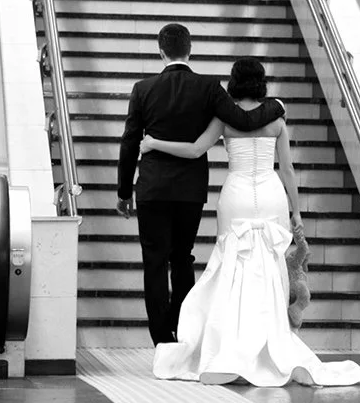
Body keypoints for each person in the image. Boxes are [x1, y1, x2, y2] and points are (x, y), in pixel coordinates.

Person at [144, 58, 360, 387]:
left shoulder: (225, 118)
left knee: (231, 267)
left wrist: (154, 143)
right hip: (271, 194)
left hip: (235, 195)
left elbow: (195, 150)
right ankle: (269, 341)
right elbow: (288, 170)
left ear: (235, 82)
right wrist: (296, 211)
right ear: (261, 81)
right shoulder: (277, 118)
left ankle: (229, 342)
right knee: (269, 267)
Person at [117, 24, 285, 347]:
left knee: (154, 261)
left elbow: (129, 143)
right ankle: (183, 329)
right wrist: (277, 107)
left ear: (160, 51)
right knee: (182, 257)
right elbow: (244, 120)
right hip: (190, 192)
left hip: (151, 190)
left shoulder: (143, 89)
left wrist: (124, 191)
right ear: (190, 50)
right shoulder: (209, 88)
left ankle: (161, 338)